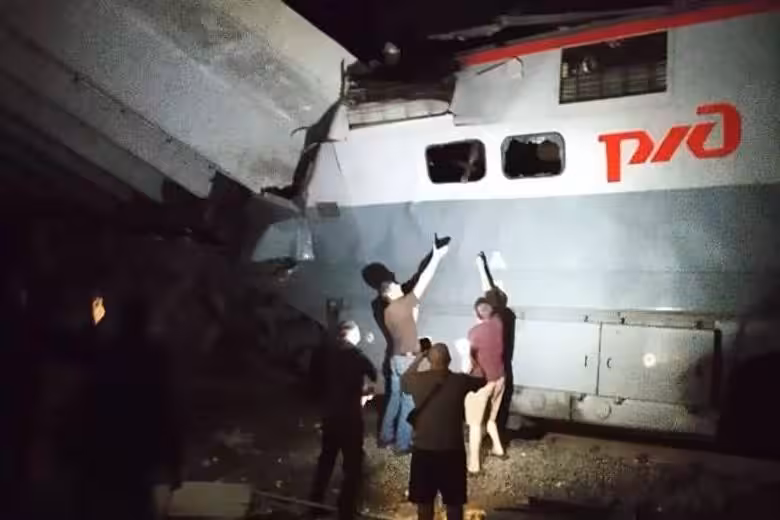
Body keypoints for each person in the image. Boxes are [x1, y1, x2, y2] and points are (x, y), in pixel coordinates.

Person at [380, 237, 449, 453]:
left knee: (394, 399)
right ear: (388, 294)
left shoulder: (388, 311)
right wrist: (436, 257)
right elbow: (423, 281)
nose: (399, 285)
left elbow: (405, 329)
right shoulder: (402, 305)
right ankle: (402, 444)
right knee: (408, 403)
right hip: (406, 361)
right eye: (395, 286)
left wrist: (414, 319)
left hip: (395, 358)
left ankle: (385, 436)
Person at [401, 343, 485, 520]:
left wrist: (420, 357)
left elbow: (404, 379)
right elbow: (481, 379)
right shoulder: (460, 381)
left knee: (424, 504)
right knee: (454, 503)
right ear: (450, 360)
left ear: (430, 360)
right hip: (452, 451)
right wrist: (473, 358)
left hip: (423, 450)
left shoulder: (417, 379)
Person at [310, 321, 377, 520]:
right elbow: (373, 375)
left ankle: (315, 503)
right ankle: (346, 508)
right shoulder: (358, 356)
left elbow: (314, 383)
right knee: (353, 465)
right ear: (353, 335)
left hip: (330, 416)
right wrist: (365, 394)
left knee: (326, 460)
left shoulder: (324, 356)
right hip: (350, 418)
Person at [464, 252, 508, 474]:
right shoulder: (499, 322)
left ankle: (474, 465)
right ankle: (498, 449)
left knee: (474, 424)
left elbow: (469, 364)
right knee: (491, 419)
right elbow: (489, 292)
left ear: (476, 315)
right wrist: (482, 266)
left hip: (484, 383)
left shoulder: (474, 333)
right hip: (501, 379)